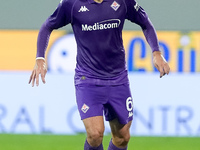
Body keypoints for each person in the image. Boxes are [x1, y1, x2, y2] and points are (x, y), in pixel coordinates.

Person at [29, 0, 170, 149]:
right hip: (88, 79)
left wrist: (156, 52)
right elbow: (47, 26)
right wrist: (40, 58)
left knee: (122, 137)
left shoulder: (122, 2)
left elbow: (145, 22)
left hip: (118, 79)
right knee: (95, 134)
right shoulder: (71, 4)